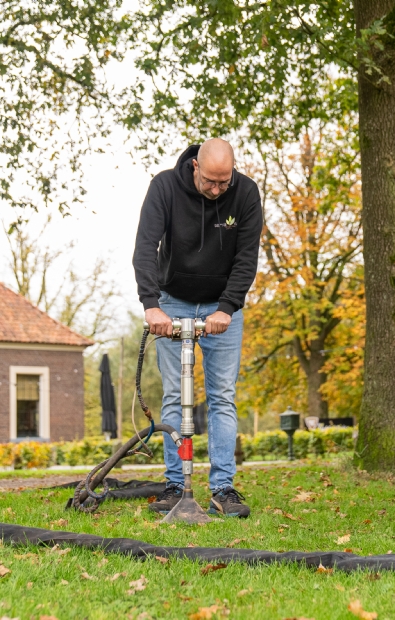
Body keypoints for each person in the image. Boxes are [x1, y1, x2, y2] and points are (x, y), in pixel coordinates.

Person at [133, 138, 262, 518]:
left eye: (225, 182)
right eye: (210, 181)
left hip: (222, 307)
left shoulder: (246, 193)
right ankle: (175, 485)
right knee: (175, 394)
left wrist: (227, 308)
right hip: (172, 301)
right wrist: (151, 305)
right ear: (195, 168)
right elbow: (145, 247)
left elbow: (246, 257)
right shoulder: (164, 187)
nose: (217, 189)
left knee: (222, 396)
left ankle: (223, 488)